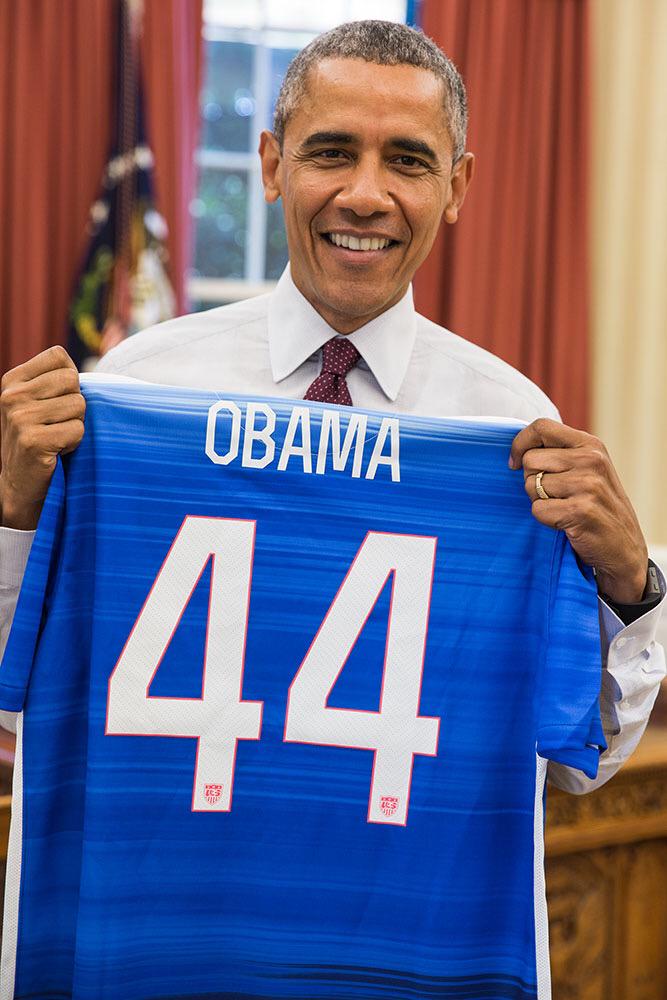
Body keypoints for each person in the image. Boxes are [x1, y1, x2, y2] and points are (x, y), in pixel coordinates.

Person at [0, 20, 664, 791]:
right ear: (271, 165)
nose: (364, 196)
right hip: (184, 859)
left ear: (456, 187)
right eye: (331, 152)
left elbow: (576, 765)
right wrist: (15, 512)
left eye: (407, 161)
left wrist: (629, 587)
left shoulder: (513, 428)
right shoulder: (143, 390)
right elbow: (23, 705)